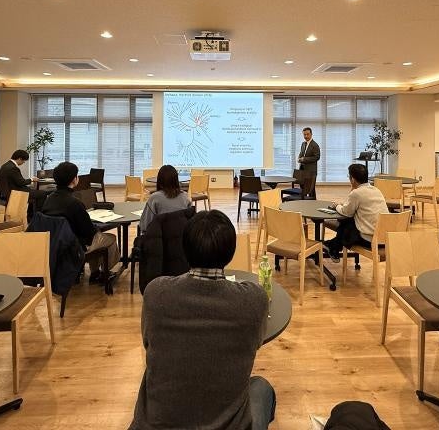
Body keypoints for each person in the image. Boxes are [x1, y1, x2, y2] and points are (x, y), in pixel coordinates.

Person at [129, 210, 275, 430]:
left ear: (185, 249)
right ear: (230, 252)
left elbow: (148, 341)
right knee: (262, 387)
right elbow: (257, 341)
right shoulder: (254, 300)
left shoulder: (156, 293)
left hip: (156, 424)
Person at [41, 161, 118, 283]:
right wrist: (97, 228)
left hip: (54, 244)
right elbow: (89, 232)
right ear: (74, 179)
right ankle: (104, 273)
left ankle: (95, 272)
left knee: (94, 237)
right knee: (108, 238)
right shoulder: (75, 203)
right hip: (74, 247)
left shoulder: (49, 200)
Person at [323, 164, 388, 263]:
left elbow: (346, 212)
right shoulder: (376, 190)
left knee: (346, 222)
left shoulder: (357, 193)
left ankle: (332, 246)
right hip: (385, 239)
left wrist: (336, 206)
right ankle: (333, 246)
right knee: (350, 221)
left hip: (370, 240)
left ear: (352, 179)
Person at [138, 164, 191, 231]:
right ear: (176, 180)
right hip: (181, 235)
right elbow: (190, 221)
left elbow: (144, 225)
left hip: (160, 236)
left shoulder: (154, 198)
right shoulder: (185, 197)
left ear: (159, 180)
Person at [297, 127, 320, 198]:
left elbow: (317, 157)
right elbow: (301, 153)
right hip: (302, 170)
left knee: (311, 190)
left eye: (307, 134)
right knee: (303, 188)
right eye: (304, 134)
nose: (306, 136)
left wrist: (304, 159)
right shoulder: (303, 144)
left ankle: (313, 203)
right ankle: (304, 201)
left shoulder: (315, 145)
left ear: (311, 134)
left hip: (311, 171)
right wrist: (299, 158)